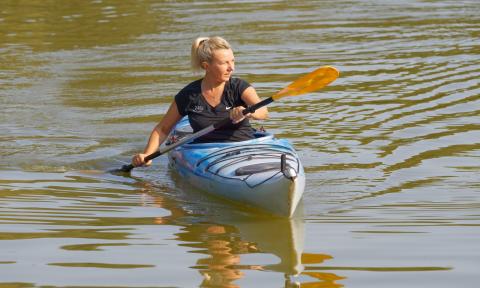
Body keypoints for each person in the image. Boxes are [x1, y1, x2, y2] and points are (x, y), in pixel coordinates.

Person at [132, 36, 268, 167]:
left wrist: (248, 113)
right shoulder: (189, 94)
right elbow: (162, 129)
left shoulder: (239, 87)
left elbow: (263, 112)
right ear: (206, 66)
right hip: (206, 154)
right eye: (223, 63)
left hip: (244, 148)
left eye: (232, 61)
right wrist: (147, 154)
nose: (231, 67)